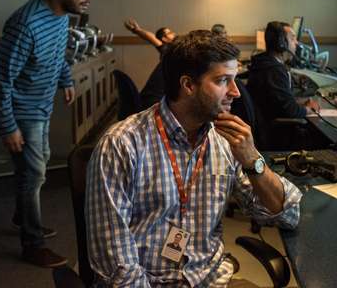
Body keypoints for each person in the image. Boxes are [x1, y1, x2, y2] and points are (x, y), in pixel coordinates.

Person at [86, 30, 302, 287]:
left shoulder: (224, 141)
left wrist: (252, 160)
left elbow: (287, 214)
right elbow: (116, 266)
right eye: (223, 81)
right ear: (188, 85)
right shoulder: (122, 144)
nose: (236, 92)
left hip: (210, 279)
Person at [0, 0, 94, 268]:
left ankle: (23, 215)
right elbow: (0, 79)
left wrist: (65, 79)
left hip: (41, 106)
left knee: (35, 168)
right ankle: (31, 244)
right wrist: (8, 126)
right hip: (23, 111)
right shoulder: (26, 23)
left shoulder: (61, 15)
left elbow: (57, 51)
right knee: (34, 175)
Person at [247, 21, 321, 149]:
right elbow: (290, 111)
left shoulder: (264, 63)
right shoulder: (274, 70)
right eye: (292, 38)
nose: (296, 43)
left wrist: (298, 102)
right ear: (281, 44)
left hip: (263, 128)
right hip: (272, 135)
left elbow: (279, 100)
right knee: (321, 138)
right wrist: (308, 109)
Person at [124, 18, 178, 109]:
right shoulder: (168, 51)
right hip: (153, 103)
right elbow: (151, 37)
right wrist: (137, 30)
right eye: (169, 33)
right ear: (164, 39)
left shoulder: (171, 51)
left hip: (155, 100)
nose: (174, 33)